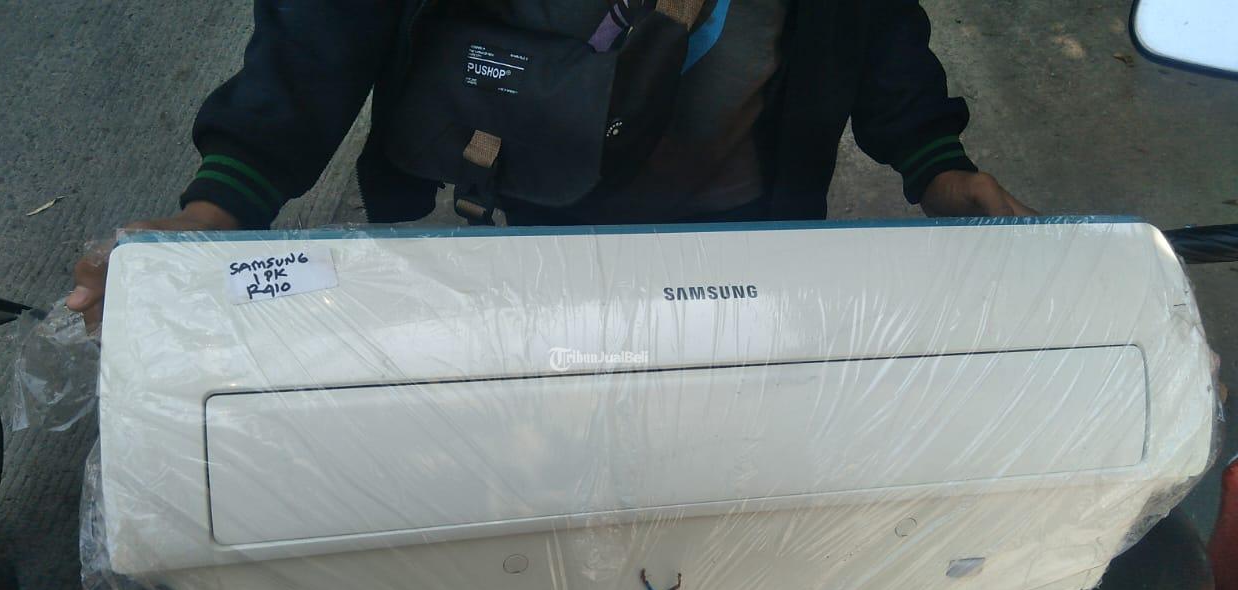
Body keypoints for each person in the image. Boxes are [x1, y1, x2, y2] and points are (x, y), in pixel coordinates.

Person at [67, 0, 1034, 326]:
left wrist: (937, 162)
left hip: (748, 227)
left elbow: (873, 21)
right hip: (533, 228)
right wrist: (220, 209)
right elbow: (322, 30)